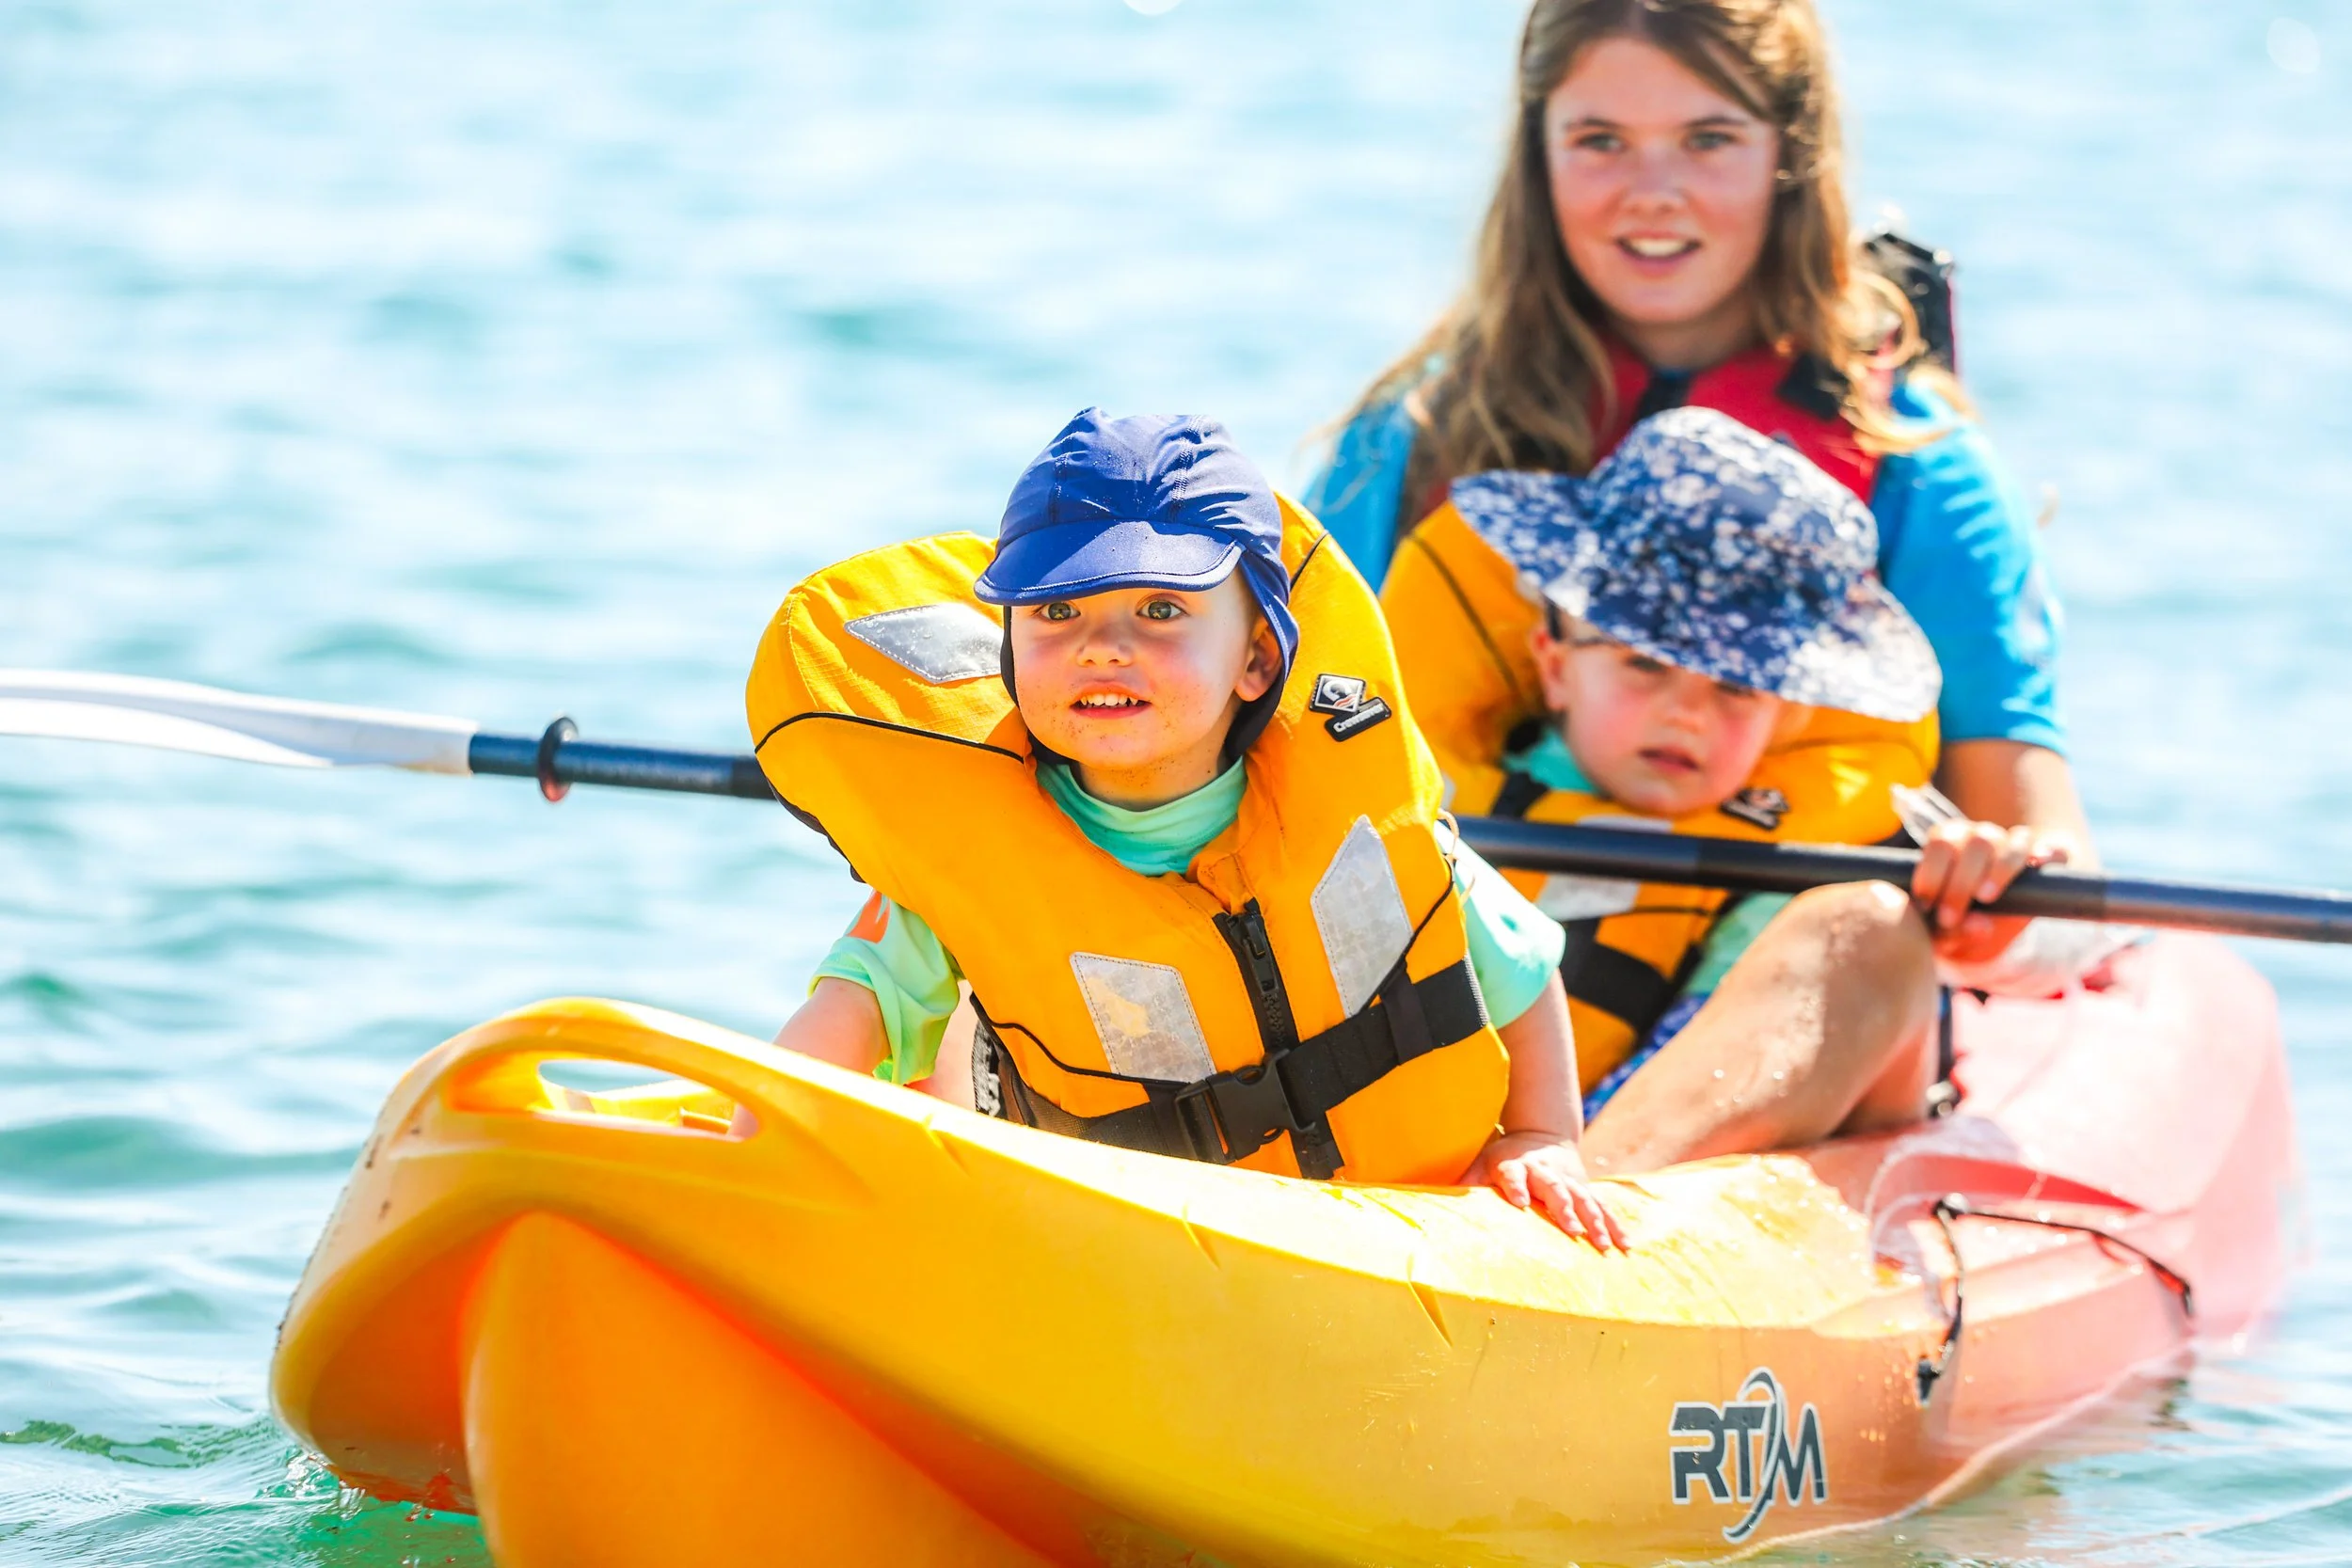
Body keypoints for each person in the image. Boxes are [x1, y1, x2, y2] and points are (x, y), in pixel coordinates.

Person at [745, 408, 1624, 1246]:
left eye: (1161, 610)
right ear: (1007, 650)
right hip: (1132, 1243)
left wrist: (1542, 1137)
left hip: (1401, 1215)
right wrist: (762, 1142)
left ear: (1255, 660)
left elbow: (1523, 970)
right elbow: (846, 1015)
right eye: (1056, 611)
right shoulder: (970, 853)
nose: (1102, 645)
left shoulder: (1361, 816)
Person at [1304, 0, 2094, 916]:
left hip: (1777, 984)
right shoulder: (1407, 439)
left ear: (1788, 154)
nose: (1652, 192)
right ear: (1537, 155)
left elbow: (2050, 864)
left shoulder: (1924, 474)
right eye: (1600, 139)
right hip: (1467, 979)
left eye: (1708, 138)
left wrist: (1987, 891)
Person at [1442, 406, 2032, 1168]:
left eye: (1734, 687)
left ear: (1781, 714)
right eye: (1644, 664)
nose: (1687, 712)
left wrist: (1985, 885)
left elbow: (2062, 946)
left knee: (1868, 928)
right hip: (1453, 1141)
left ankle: (1586, 1205)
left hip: (1626, 1153)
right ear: (1555, 665)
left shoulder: (1811, 860)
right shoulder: (1445, 795)